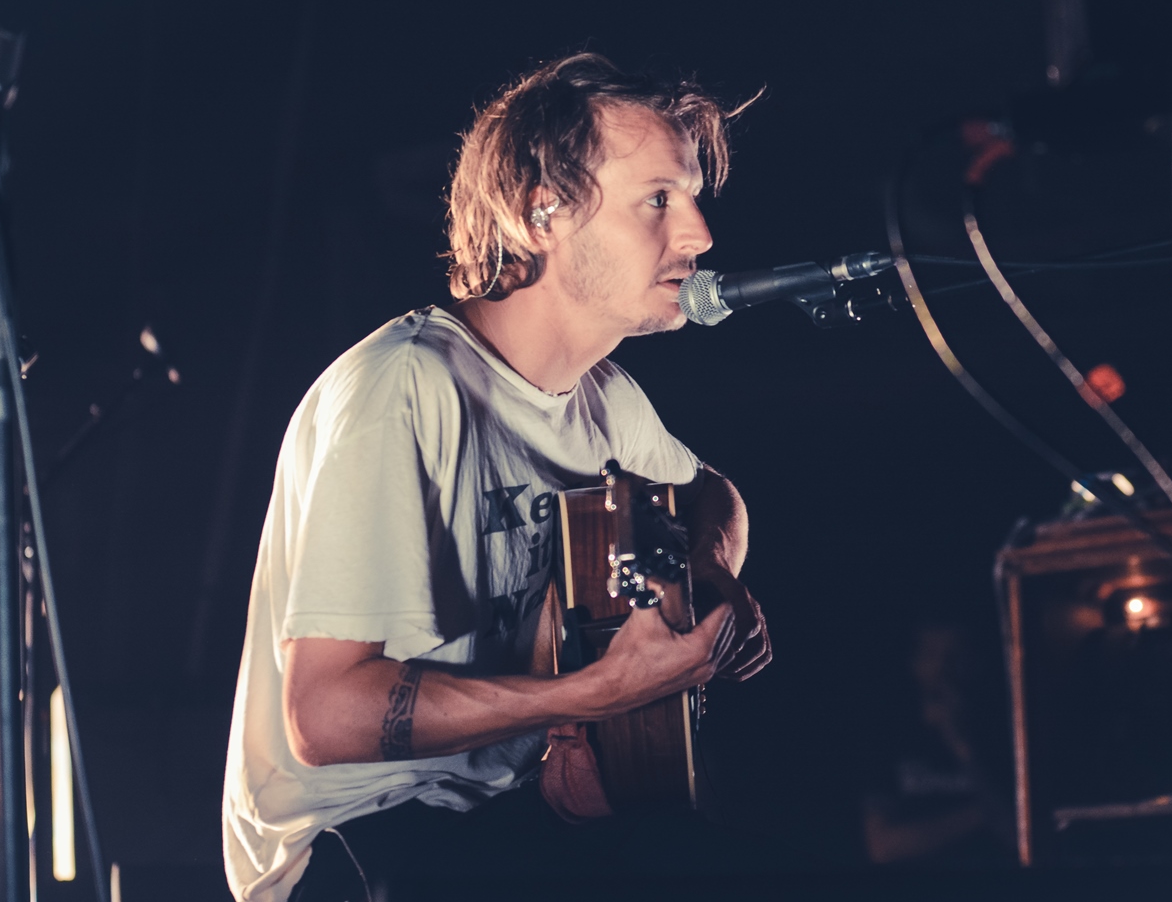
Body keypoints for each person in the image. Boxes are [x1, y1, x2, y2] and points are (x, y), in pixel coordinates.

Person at [221, 54, 771, 902]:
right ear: (539, 213)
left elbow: (714, 495)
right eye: (658, 199)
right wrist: (593, 691)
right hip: (362, 847)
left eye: (691, 198)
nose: (699, 235)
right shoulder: (404, 389)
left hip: (496, 819)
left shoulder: (603, 397)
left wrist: (709, 574)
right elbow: (324, 718)